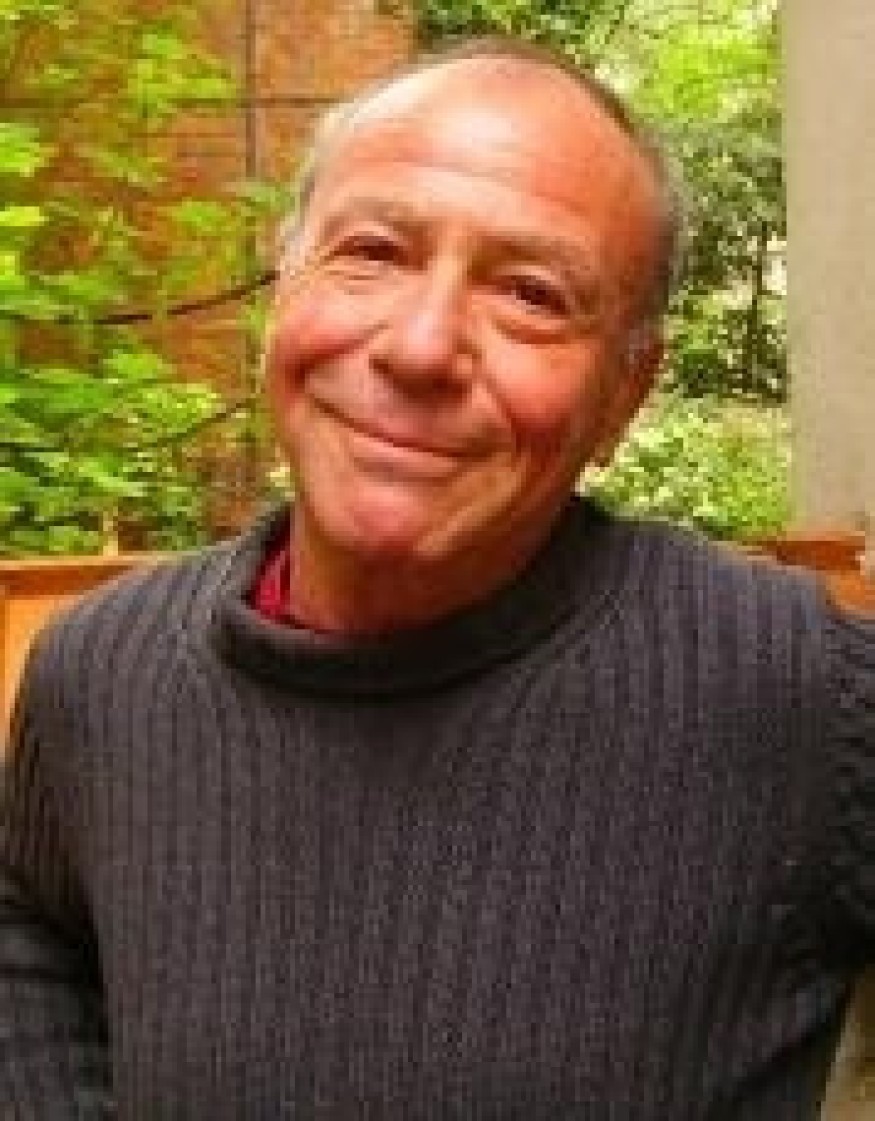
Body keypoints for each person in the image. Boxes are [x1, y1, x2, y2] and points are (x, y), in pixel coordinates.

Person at [1, 34, 873, 1120]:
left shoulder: (795, 692)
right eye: (372, 250)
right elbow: (31, 920)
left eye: (531, 295)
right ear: (285, 283)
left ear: (624, 393)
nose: (419, 347)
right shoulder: (99, 673)